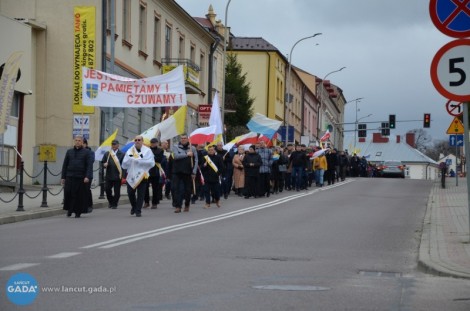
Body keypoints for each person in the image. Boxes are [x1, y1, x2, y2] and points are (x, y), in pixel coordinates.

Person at [122, 135, 154, 217]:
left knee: (141, 194)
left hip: (142, 175)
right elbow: (125, 163)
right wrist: (131, 160)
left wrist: (139, 161)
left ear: (142, 141)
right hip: (131, 175)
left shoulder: (147, 151)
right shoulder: (130, 151)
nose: (137, 141)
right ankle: (134, 206)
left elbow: (151, 162)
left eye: (139, 140)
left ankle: (138, 210)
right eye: (135, 140)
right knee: (130, 193)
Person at [61, 135, 93, 218]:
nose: (77, 142)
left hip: (81, 177)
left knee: (78, 195)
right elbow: (65, 165)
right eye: (76, 140)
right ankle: (69, 209)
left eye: (79, 140)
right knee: (68, 193)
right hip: (70, 176)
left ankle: (77, 211)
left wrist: (87, 176)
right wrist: (63, 177)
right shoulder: (69, 152)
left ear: (82, 142)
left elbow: (89, 166)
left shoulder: (87, 152)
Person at [172, 134, 198, 213]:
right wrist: (186, 154)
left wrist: (194, 171)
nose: (183, 139)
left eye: (185, 138)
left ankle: (187, 204)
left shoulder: (192, 148)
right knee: (176, 189)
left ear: (187, 139)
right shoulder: (176, 147)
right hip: (177, 171)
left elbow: (196, 160)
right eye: (182, 138)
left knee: (187, 190)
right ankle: (178, 206)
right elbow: (176, 156)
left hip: (188, 172)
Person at [102, 139, 124, 209]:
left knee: (117, 191)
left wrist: (123, 175)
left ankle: (114, 204)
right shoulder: (107, 153)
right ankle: (111, 201)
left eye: (115, 144)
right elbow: (102, 162)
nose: (113, 146)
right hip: (109, 175)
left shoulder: (122, 154)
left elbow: (124, 165)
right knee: (107, 189)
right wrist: (104, 164)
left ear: (118, 145)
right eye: (112, 144)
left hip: (118, 175)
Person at [144, 138, 164, 209]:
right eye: (152, 143)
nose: (153, 144)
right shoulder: (147, 150)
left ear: (157, 143)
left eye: (154, 143)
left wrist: (151, 157)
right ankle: (146, 202)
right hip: (147, 171)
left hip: (155, 171)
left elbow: (159, 159)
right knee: (145, 187)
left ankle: (154, 203)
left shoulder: (160, 150)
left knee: (155, 188)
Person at [82, 138, 95, 212]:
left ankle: (89, 205)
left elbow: (91, 161)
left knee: (87, 190)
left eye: (83, 143)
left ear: (86, 144)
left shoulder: (90, 152)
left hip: (88, 174)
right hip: (79, 174)